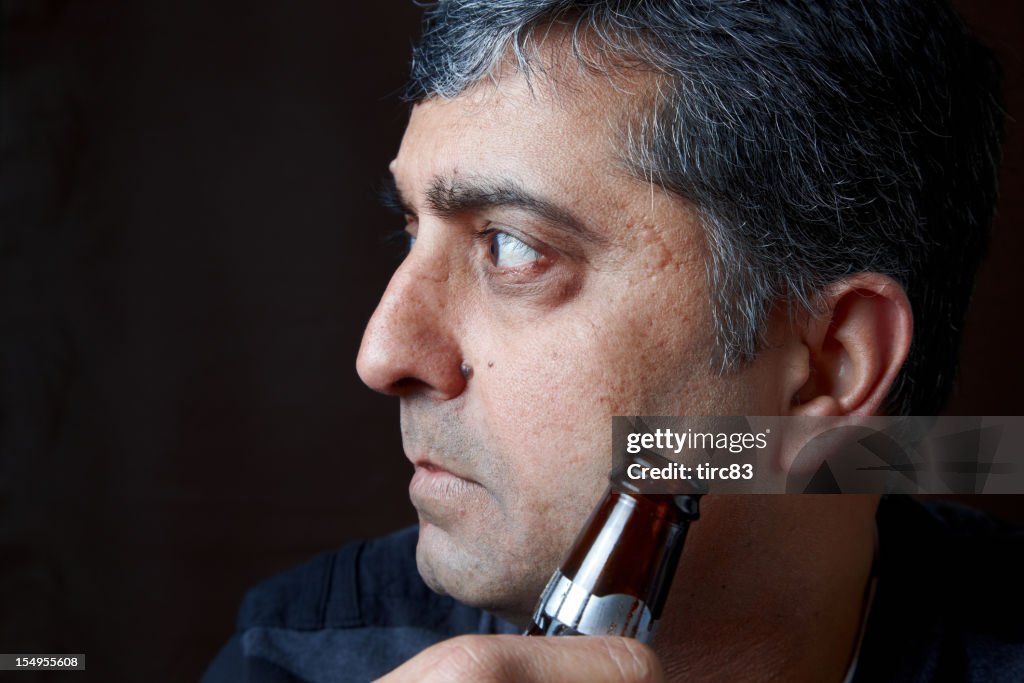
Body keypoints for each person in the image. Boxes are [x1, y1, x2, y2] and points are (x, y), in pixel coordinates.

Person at [203, 1, 1023, 681]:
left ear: (828, 366)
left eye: (513, 248)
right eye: (410, 227)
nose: (382, 354)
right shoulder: (291, 650)